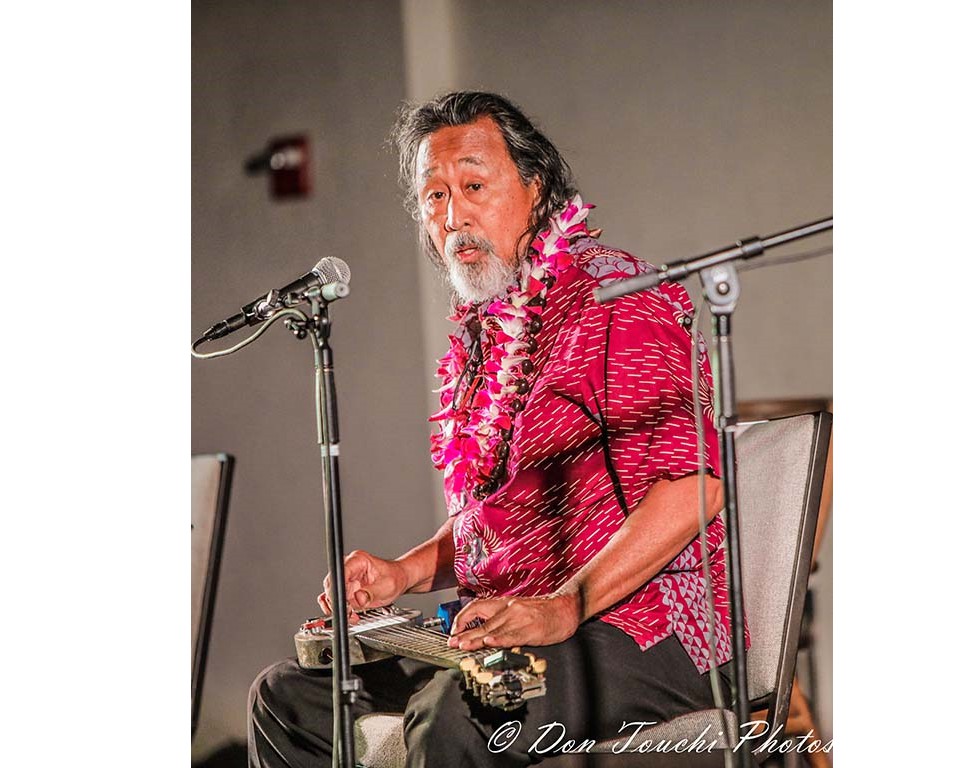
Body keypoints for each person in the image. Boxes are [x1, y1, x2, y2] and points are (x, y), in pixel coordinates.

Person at [248, 91, 748, 768]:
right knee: (289, 698)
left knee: (460, 713)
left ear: (535, 189)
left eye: (475, 186)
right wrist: (405, 572)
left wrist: (564, 605)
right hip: (511, 625)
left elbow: (695, 487)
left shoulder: (618, 298)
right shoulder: (487, 327)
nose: (454, 216)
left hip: (649, 624)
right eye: (434, 196)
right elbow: (501, 516)